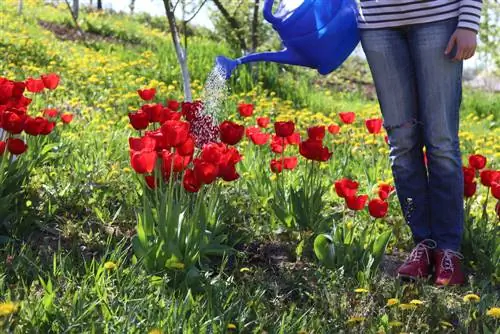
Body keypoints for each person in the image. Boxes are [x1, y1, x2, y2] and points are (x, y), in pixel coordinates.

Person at [357, 0, 483, 286]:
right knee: (401, 143)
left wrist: (468, 21)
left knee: (441, 140)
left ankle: (448, 250)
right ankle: (423, 244)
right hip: (376, 24)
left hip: (439, 19)